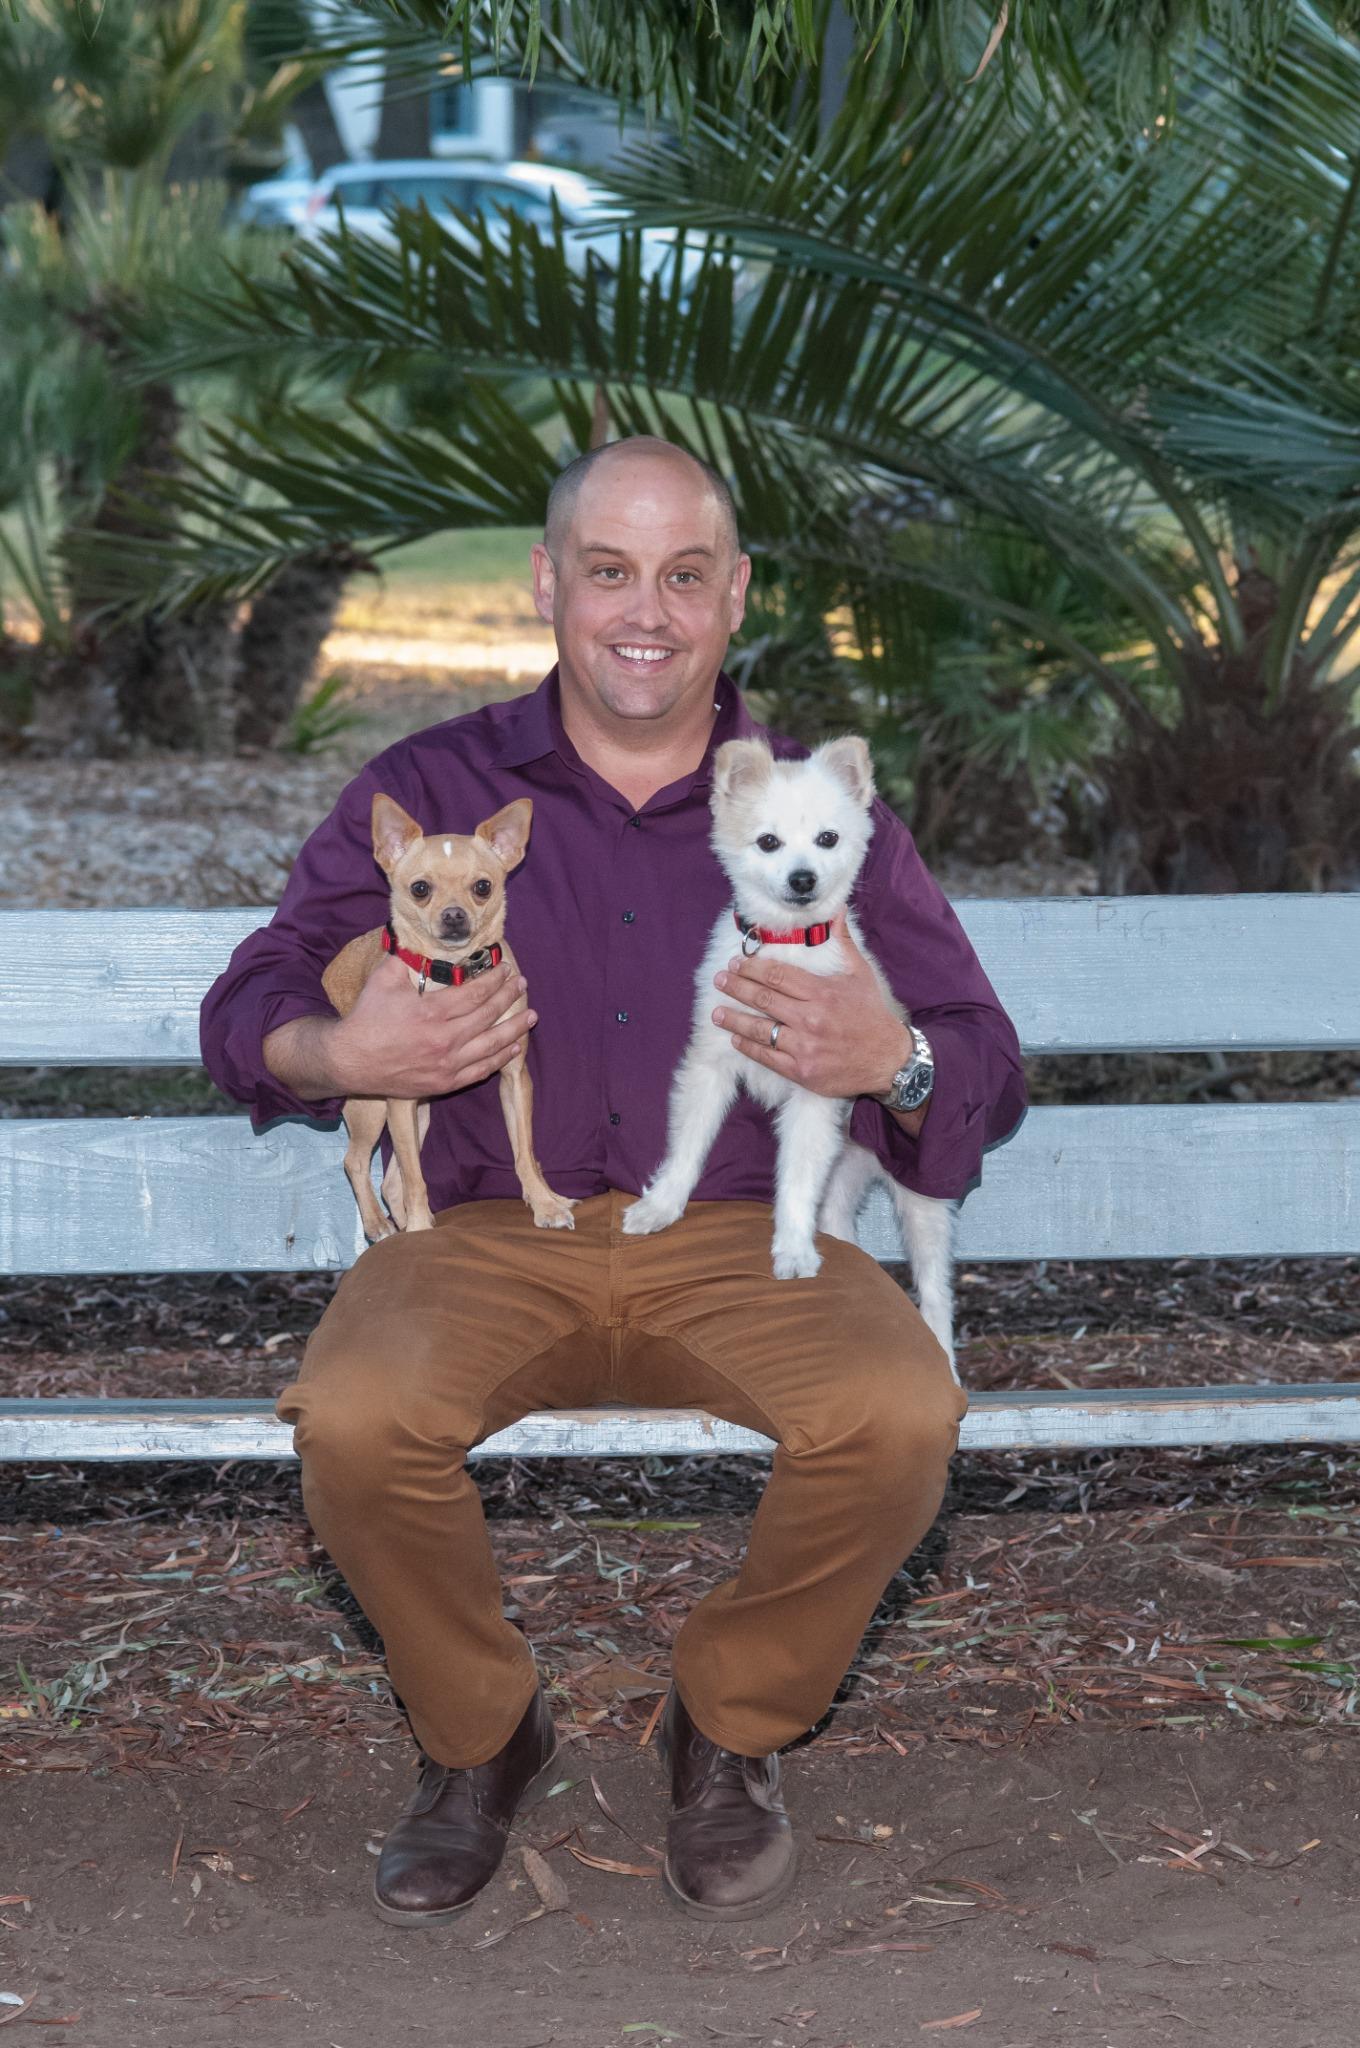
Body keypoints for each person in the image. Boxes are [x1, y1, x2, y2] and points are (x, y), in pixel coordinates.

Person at [200, 436, 1026, 1927]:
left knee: (902, 1413)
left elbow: (979, 1058)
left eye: (686, 575)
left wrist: (890, 1054)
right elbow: (251, 996)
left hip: (739, 1241)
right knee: (357, 1417)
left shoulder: (815, 816)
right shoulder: (434, 785)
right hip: (483, 1237)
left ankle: (728, 1723)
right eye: (609, 570)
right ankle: (481, 1734)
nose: (647, 611)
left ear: (735, 598)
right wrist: (338, 1040)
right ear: (546, 583)